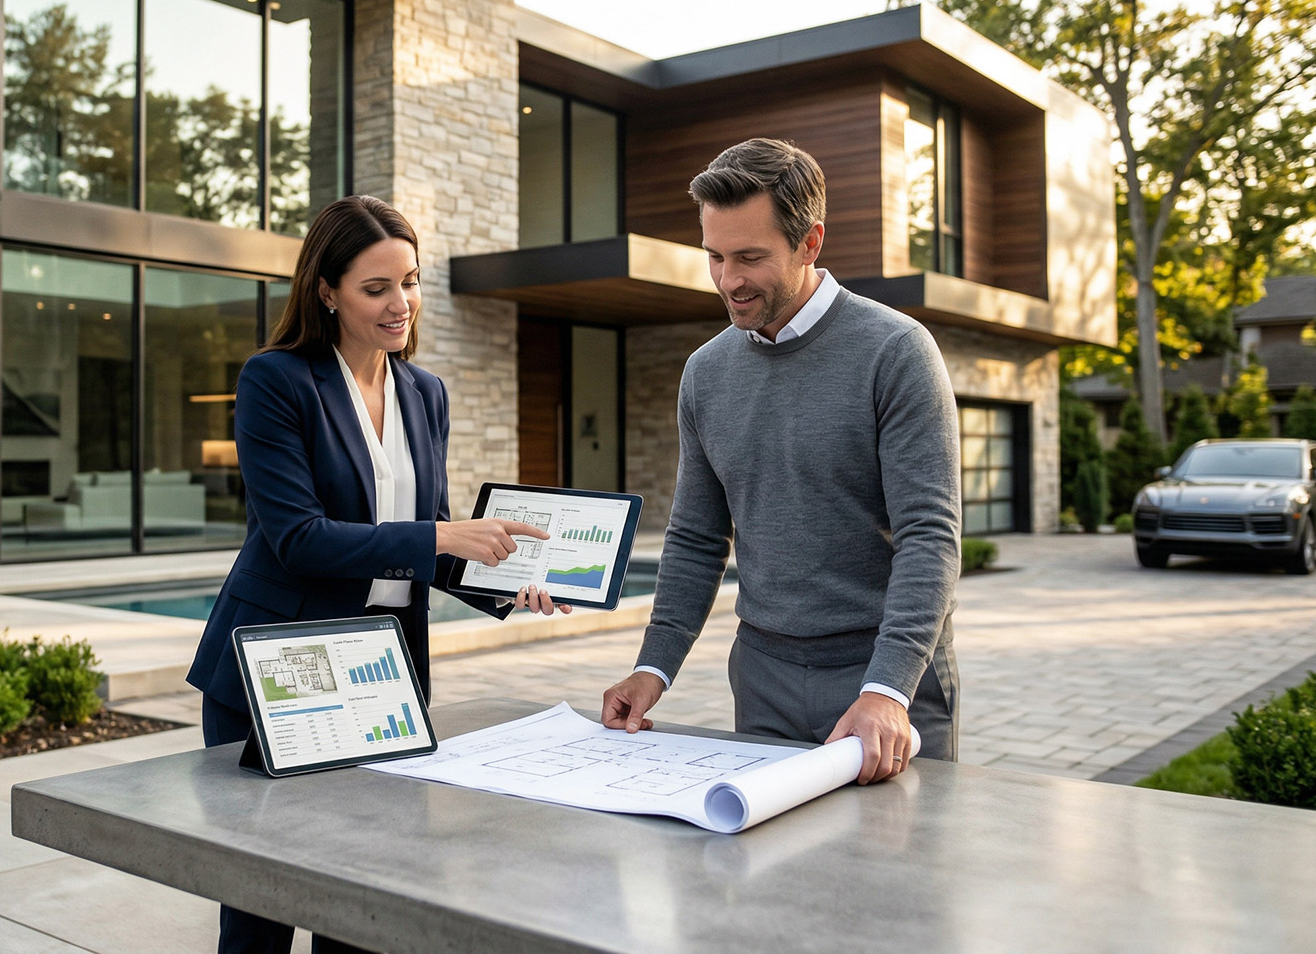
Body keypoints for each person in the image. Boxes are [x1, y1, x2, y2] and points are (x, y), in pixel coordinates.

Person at [185, 195, 554, 954]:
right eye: (376, 287)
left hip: (383, 669)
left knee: (363, 899)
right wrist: (444, 534)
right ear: (327, 290)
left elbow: (426, 543)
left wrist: (506, 578)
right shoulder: (275, 380)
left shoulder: (426, 393)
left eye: (410, 282)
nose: (401, 304)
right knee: (262, 902)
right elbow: (298, 538)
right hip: (277, 663)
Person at [598, 138, 962, 785]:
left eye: (750, 257)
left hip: (883, 678)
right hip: (762, 678)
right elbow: (694, 537)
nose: (728, 279)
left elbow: (929, 538)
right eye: (714, 256)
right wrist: (653, 667)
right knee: (771, 881)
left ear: (810, 242)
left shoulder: (897, 351)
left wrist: (887, 688)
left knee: (893, 881)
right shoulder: (705, 373)